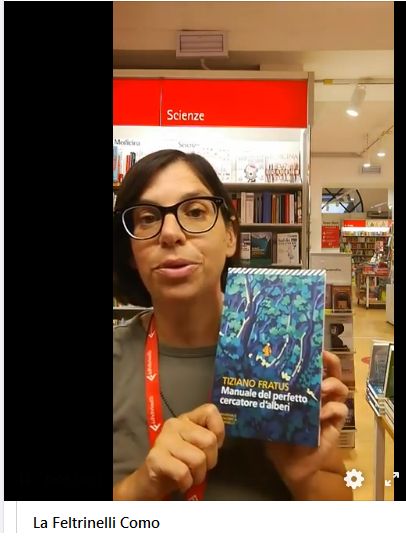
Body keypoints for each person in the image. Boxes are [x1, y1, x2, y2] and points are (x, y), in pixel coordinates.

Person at [113, 149, 351, 500]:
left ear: (230, 236)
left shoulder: (284, 351)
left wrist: (304, 475)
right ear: (131, 252)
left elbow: (344, 497)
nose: (171, 233)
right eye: (148, 218)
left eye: (195, 212)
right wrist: (144, 485)